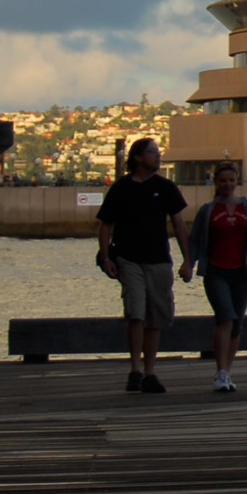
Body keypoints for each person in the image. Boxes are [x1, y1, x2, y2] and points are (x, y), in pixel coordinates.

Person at [96, 138, 189, 393]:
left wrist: (187, 259)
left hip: (159, 259)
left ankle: (150, 371)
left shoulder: (166, 187)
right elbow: (105, 224)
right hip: (129, 259)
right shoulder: (121, 188)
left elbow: (179, 224)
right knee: (135, 313)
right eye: (152, 153)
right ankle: (135, 369)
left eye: (158, 153)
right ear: (138, 157)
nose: (158, 157)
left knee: (155, 317)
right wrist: (105, 257)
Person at [183, 161, 247, 395]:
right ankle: (220, 371)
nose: (227, 185)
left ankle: (227, 371)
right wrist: (189, 263)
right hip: (215, 271)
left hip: (244, 274)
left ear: (237, 181)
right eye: (223, 181)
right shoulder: (208, 210)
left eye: (231, 180)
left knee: (236, 323)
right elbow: (195, 240)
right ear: (216, 183)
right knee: (225, 317)